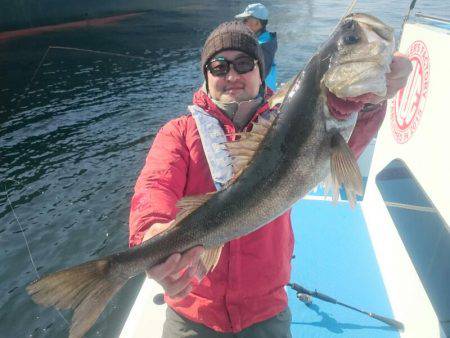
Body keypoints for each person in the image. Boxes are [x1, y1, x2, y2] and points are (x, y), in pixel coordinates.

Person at [128, 21, 412, 338]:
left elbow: (347, 148)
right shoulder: (179, 132)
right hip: (192, 309)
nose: (232, 76)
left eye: (244, 64)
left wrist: (371, 101)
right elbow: (154, 186)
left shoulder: (284, 119)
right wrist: (150, 229)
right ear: (206, 75)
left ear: (260, 72)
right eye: (219, 66)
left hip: (266, 311)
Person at [235, 3, 278, 91]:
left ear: (257, 23)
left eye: (246, 20)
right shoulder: (266, 38)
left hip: (262, 95)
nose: (242, 23)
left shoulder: (261, 46)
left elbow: (260, 76)